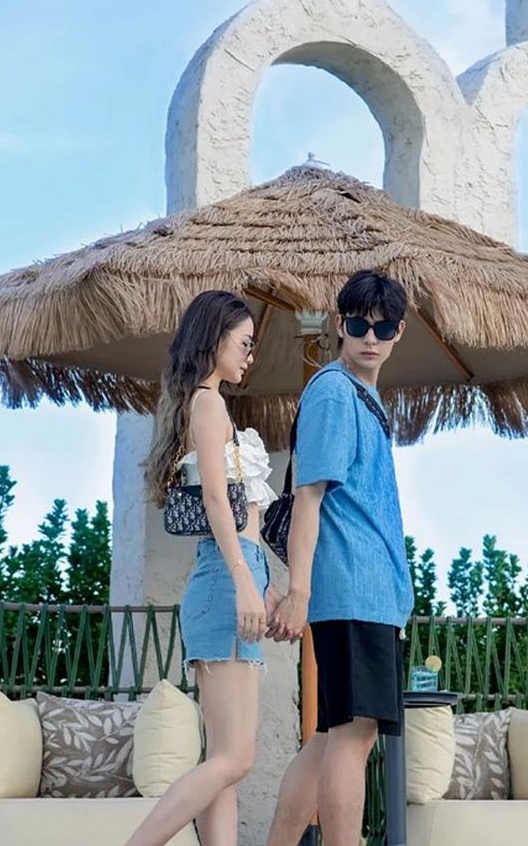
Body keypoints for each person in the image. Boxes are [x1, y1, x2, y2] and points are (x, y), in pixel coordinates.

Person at [266, 270, 415, 846]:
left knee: (333, 735)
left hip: (368, 591)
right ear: (338, 325)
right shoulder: (334, 391)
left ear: (399, 332)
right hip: (353, 586)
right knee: (354, 735)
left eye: (382, 328)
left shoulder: (362, 395)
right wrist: (298, 591)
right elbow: (308, 496)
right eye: (358, 325)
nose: (370, 338)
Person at [130, 290, 280, 846]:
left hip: (229, 576)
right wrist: (245, 579)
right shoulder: (208, 404)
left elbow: (242, 515)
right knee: (236, 758)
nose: (249, 355)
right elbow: (218, 501)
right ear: (214, 340)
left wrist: (261, 580)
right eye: (243, 343)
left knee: (225, 762)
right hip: (224, 579)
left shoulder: (202, 404)